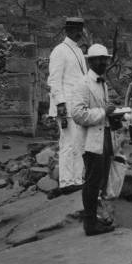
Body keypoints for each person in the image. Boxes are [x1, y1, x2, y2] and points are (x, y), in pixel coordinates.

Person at [72, 44, 123, 236]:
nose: (103, 62)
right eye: (99, 59)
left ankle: (96, 218)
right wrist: (103, 112)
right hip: (92, 141)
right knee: (92, 182)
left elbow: (103, 110)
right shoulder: (83, 84)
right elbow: (77, 114)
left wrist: (114, 115)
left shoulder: (103, 83)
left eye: (105, 59)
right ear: (90, 61)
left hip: (105, 136)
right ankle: (90, 224)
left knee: (102, 180)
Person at [47, 17, 87, 198]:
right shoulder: (59, 51)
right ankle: (66, 182)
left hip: (78, 106)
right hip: (66, 106)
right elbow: (54, 81)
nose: (80, 33)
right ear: (67, 30)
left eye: (81, 29)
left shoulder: (78, 51)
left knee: (79, 144)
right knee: (68, 144)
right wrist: (60, 105)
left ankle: (77, 180)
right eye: (76, 29)